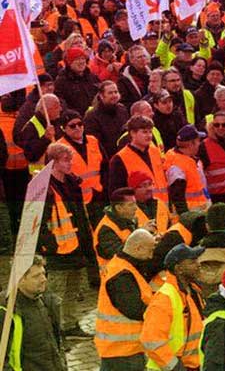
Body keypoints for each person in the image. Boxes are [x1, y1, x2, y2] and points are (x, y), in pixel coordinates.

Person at [38, 142, 94, 338]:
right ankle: (54, 329)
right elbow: (39, 223)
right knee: (56, 294)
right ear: (53, 162)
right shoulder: (44, 188)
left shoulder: (71, 183)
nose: (70, 163)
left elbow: (80, 215)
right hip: (58, 252)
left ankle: (69, 326)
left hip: (76, 247)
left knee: (72, 291)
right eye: (66, 160)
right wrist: (49, 245)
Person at [95, 229, 156, 371]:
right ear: (138, 248)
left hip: (121, 348)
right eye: (150, 250)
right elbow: (135, 310)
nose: (151, 255)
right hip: (123, 351)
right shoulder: (121, 275)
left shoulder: (123, 265)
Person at [140, 244, 206, 371]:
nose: (198, 264)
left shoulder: (193, 291)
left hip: (191, 365)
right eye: (192, 262)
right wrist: (175, 367)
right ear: (179, 269)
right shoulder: (164, 298)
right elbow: (151, 340)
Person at [0, 255, 66, 371]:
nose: (43, 279)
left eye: (43, 274)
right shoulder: (6, 310)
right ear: (20, 279)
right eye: (36, 276)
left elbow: (57, 344)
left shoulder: (48, 301)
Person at [93, 188, 144, 275]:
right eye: (131, 205)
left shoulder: (129, 219)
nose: (136, 208)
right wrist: (142, 234)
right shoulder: (106, 229)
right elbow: (120, 254)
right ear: (119, 208)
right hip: (116, 277)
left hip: (128, 272)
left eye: (135, 203)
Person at [163, 124, 210, 214]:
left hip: (198, 210)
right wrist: (185, 217)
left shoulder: (191, 159)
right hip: (191, 213)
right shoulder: (177, 166)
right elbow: (177, 197)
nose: (200, 144)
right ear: (191, 144)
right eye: (198, 141)